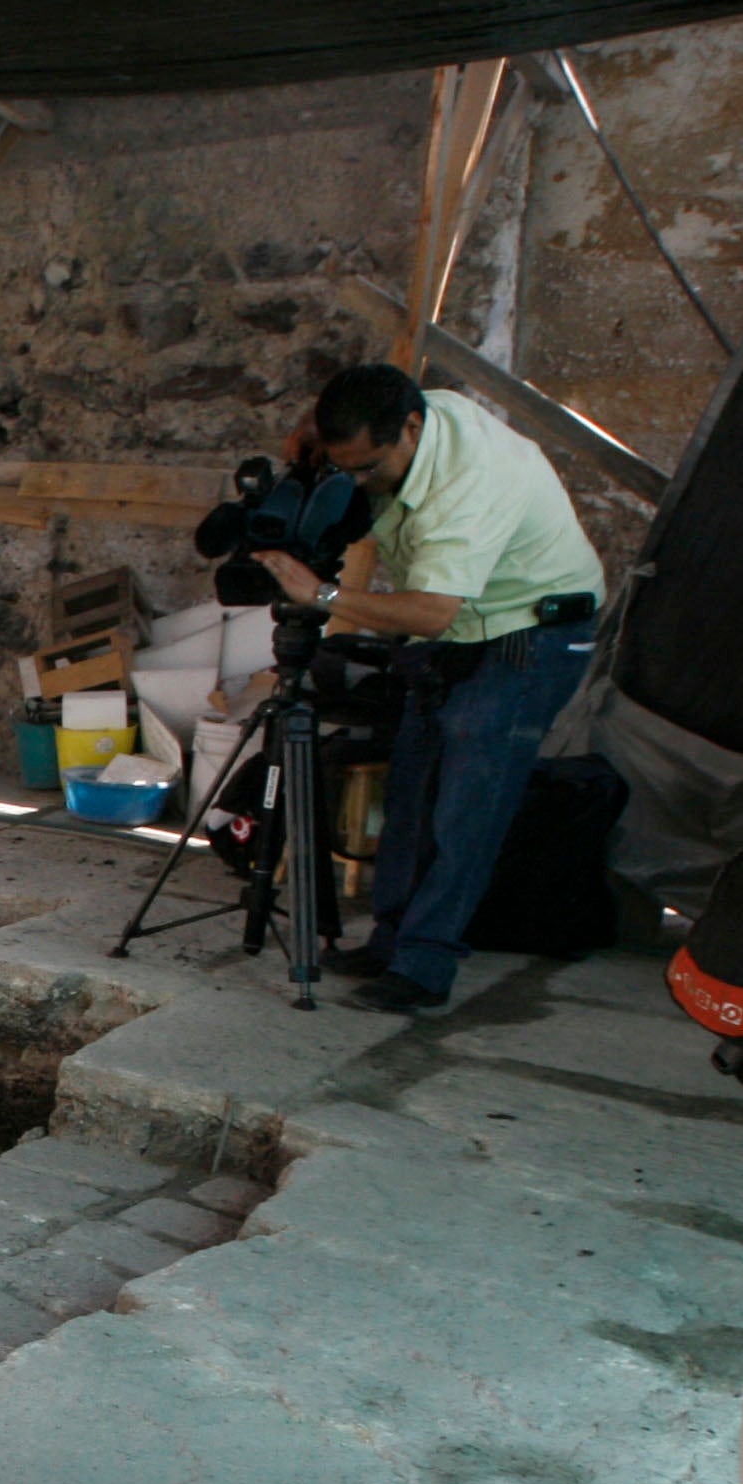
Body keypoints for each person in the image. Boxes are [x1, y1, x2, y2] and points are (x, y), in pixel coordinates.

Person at [254, 364, 605, 1016]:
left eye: (368, 468)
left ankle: (424, 966)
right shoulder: (408, 409)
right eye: (344, 465)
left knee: (468, 806)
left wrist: (323, 595)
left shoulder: (470, 482)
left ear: (411, 430)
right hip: (461, 628)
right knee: (410, 791)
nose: (357, 482)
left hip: (532, 631)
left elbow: (432, 611)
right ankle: (390, 944)